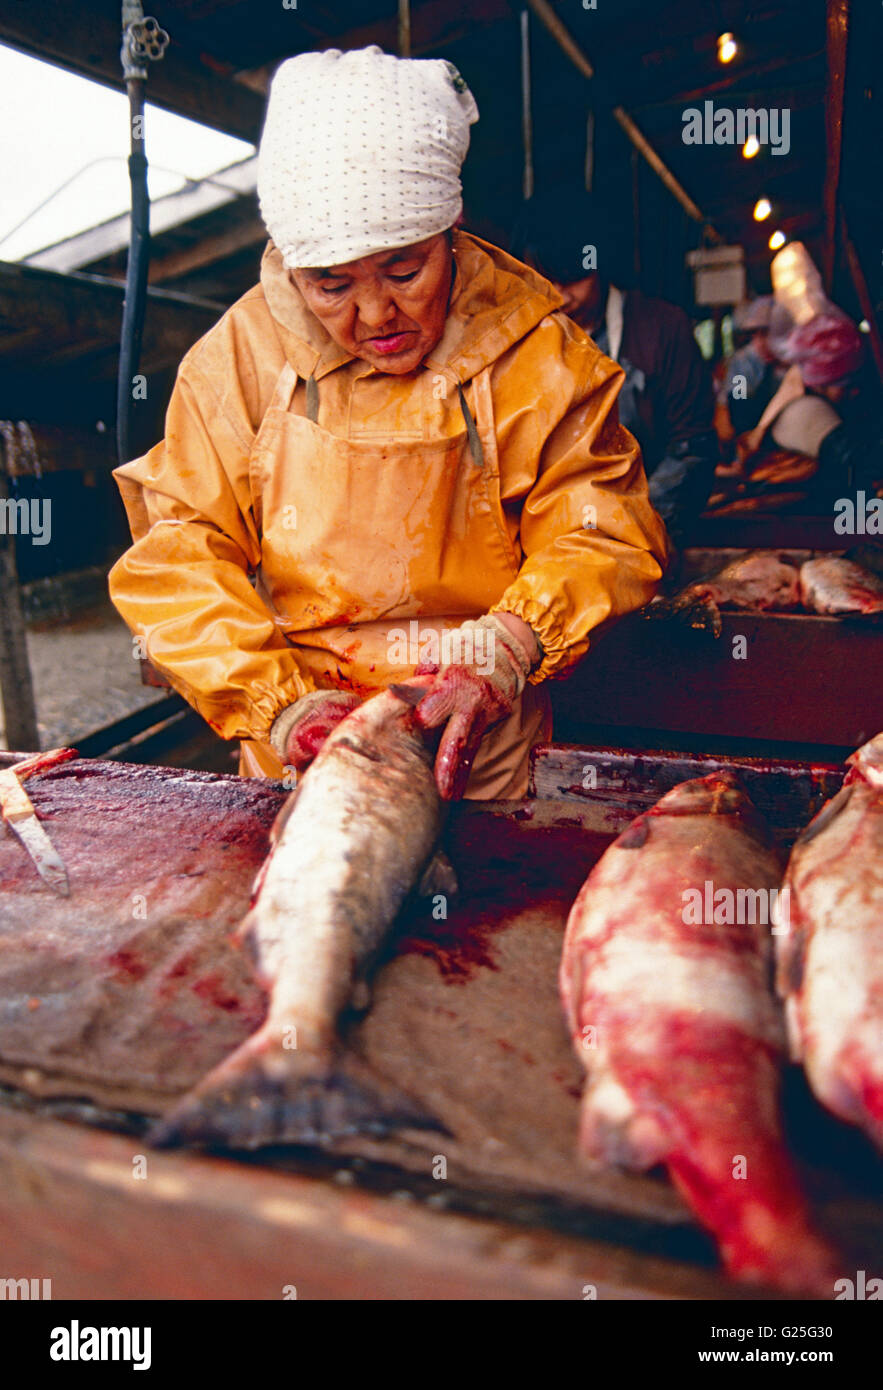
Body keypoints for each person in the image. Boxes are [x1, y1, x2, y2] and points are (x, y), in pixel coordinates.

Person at [109, 46, 666, 802]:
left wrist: (506, 645)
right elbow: (177, 555)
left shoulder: (536, 348)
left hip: (486, 746)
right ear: (290, 264)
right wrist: (279, 706)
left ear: (451, 229)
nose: (375, 315)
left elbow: (600, 526)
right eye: (330, 285)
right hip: (307, 753)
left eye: (404, 270)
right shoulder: (236, 361)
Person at [511, 190, 718, 545]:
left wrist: (634, 530)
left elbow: (692, 447)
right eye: (548, 281)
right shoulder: (519, 340)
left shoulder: (662, 328)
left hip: (648, 529)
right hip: (548, 537)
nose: (561, 297)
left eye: (573, 279)